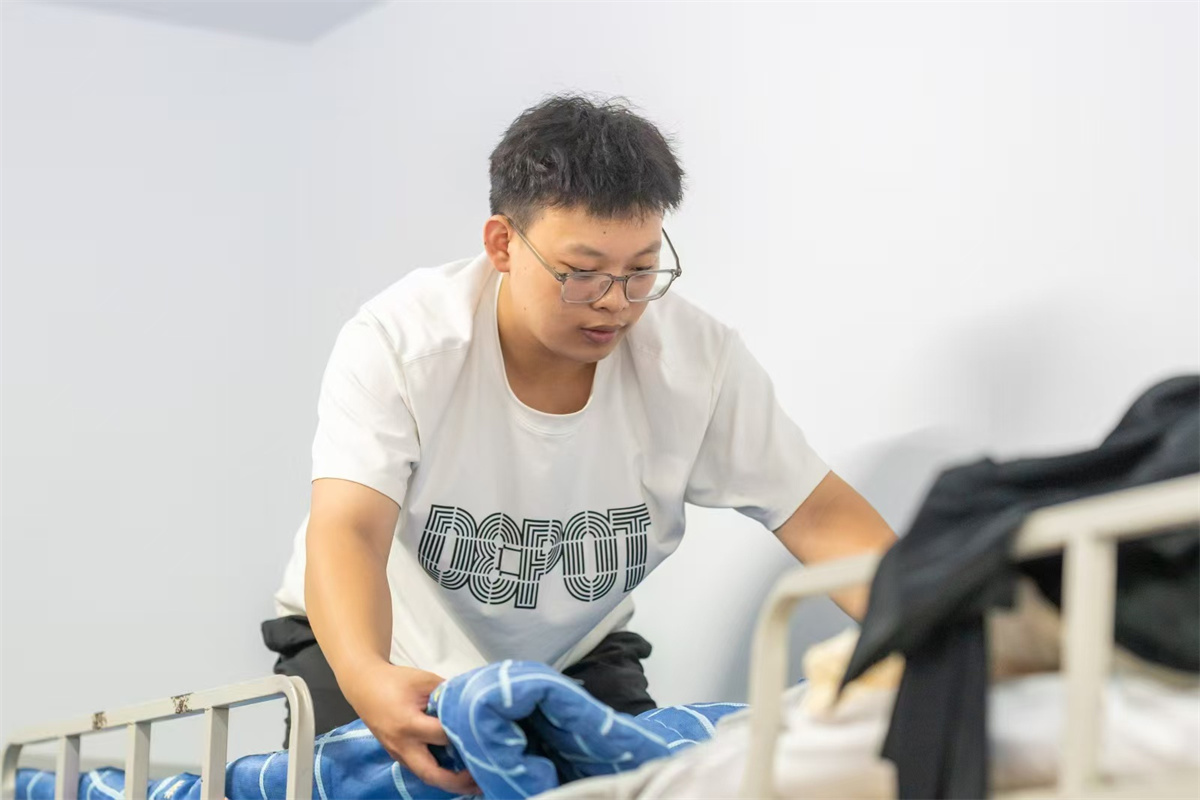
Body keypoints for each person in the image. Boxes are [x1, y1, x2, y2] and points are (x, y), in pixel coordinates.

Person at [262, 93, 897, 794]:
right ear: (503, 244)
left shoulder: (696, 364)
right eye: (583, 271)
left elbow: (820, 515)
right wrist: (366, 674)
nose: (615, 301)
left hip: (575, 657)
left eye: (641, 269)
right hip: (382, 648)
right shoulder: (403, 343)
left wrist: (933, 627)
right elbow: (349, 530)